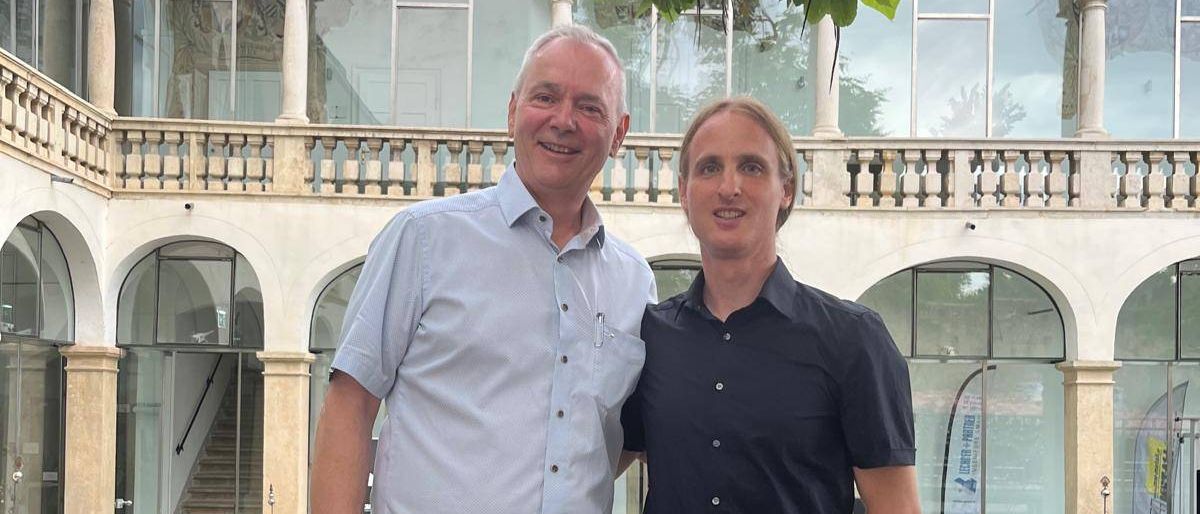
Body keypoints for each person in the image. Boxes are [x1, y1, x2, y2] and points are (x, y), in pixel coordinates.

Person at [310, 25, 656, 514]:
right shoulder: (423, 239)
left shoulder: (634, 281)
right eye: (546, 97)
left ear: (618, 133)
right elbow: (350, 405)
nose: (563, 120)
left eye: (589, 107)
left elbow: (607, 441)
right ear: (514, 111)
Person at [620, 97, 920, 513]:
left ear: (787, 190)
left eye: (751, 166)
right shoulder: (652, 336)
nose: (729, 187)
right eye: (709, 168)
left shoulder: (854, 341)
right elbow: (591, 465)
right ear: (684, 194)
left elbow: (896, 508)